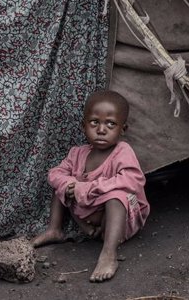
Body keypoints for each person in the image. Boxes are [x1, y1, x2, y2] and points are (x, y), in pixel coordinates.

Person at [32, 90, 150, 282]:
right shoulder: (77, 153)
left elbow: (133, 180)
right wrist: (70, 184)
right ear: (83, 125)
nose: (102, 129)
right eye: (95, 122)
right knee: (61, 185)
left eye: (110, 124)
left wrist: (90, 187)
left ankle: (109, 253)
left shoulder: (122, 151)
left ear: (123, 129)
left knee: (117, 196)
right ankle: (55, 229)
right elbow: (54, 173)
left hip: (121, 221)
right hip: (88, 215)